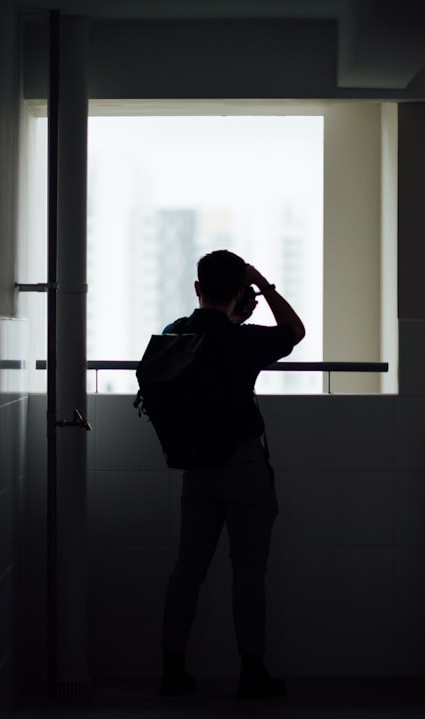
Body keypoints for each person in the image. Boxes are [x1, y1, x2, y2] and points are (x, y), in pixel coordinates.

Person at [159, 249, 305, 700]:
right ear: (241, 290)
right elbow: (293, 332)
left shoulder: (174, 335)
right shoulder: (243, 343)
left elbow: (208, 345)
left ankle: (172, 669)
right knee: (247, 573)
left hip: (195, 467)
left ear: (198, 289)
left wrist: (232, 314)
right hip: (242, 469)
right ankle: (251, 671)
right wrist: (264, 285)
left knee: (188, 570)